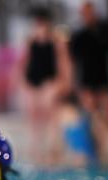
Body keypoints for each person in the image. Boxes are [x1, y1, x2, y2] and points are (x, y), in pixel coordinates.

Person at [69, 1, 108, 160]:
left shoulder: (106, 31)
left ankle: (100, 145)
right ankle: (95, 149)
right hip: (86, 83)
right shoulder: (78, 35)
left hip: (104, 81)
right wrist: (74, 85)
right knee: (92, 115)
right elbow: (71, 62)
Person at [16, 6, 72, 165]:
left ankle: (53, 150)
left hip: (50, 81)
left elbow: (64, 63)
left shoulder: (57, 41)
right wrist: (22, 82)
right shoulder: (31, 41)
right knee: (34, 117)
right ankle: (36, 151)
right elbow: (23, 63)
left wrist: (65, 82)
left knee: (51, 114)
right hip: (33, 82)